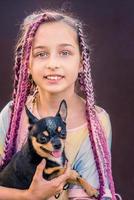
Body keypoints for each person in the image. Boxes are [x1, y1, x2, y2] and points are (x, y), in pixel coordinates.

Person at [0, 9, 122, 200]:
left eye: (65, 52)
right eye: (41, 54)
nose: (53, 63)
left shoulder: (95, 123)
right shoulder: (13, 114)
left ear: (82, 61)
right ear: (27, 64)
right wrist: (29, 196)